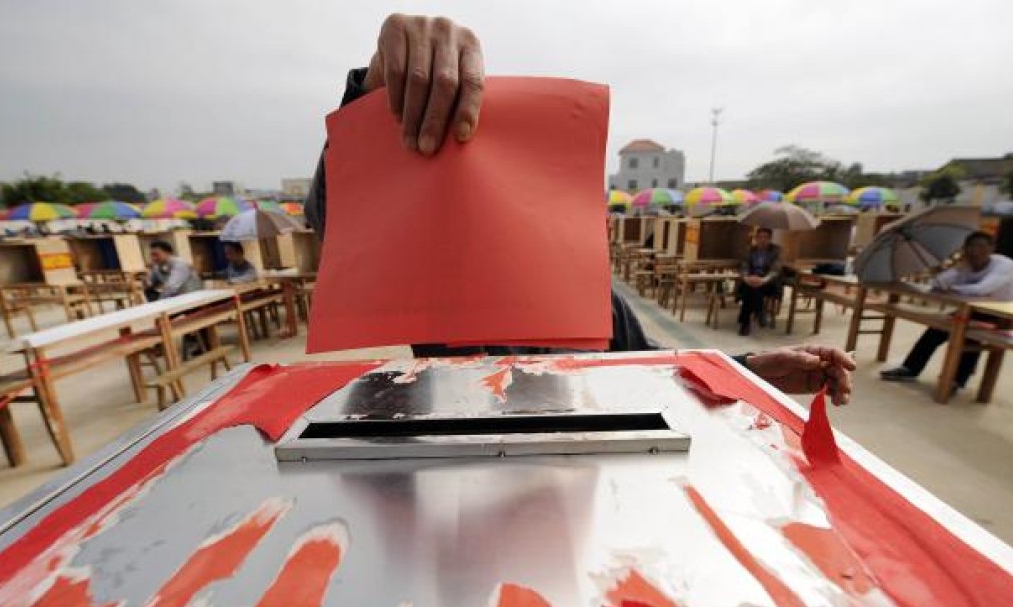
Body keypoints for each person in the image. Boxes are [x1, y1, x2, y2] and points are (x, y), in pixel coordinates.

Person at [305, 13, 855, 406]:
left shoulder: (599, 304)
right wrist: (372, 102)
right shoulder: (451, 293)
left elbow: (654, 367)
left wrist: (752, 371)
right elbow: (346, 225)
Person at [881, 231, 1013, 393]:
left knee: (966, 334)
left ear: (992, 248)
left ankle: (957, 380)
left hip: (1001, 316)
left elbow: (981, 289)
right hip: (970, 311)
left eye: (980, 246)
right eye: (970, 247)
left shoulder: (1004, 265)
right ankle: (910, 369)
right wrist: (948, 269)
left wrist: (952, 288)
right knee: (936, 329)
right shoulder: (965, 265)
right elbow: (937, 283)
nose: (974, 251)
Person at [737, 226, 782, 336]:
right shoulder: (750, 250)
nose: (763, 240)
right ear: (756, 238)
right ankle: (759, 310)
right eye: (760, 237)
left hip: (768, 282)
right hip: (751, 279)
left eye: (766, 237)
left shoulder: (776, 251)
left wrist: (763, 280)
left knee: (752, 290)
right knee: (750, 288)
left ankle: (745, 322)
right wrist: (746, 278)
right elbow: (744, 266)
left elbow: (775, 270)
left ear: (770, 239)